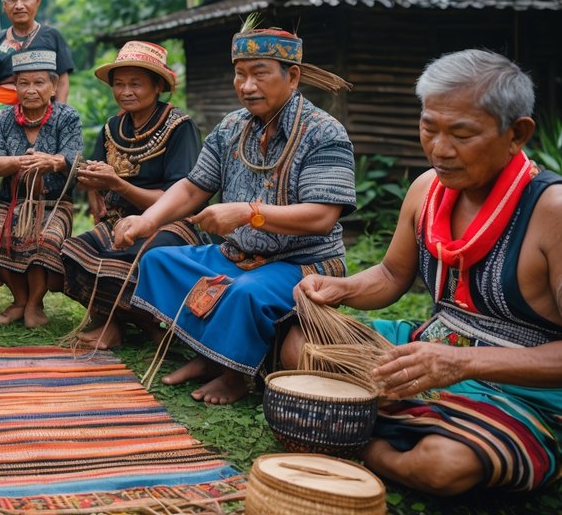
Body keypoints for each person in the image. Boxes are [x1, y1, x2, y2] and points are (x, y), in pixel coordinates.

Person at [290, 49, 562, 496]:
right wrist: (341, 288)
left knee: (443, 466)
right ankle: (370, 421)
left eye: (461, 133)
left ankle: (349, 435)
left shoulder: (549, 212)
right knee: (298, 339)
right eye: (428, 127)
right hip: (432, 344)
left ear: (517, 133)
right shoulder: (426, 189)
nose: (439, 148)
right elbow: (392, 275)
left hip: (522, 387)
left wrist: (462, 362)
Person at [115, 27, 355, 405]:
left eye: (259, 73)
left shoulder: (325, 132)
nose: (246, 85)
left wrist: (248, 213)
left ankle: (233, 375)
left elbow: (322, 217)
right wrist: (149, 220)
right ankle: (208, 356)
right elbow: (194, 188)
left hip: (303, 263)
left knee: (243, 293)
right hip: (236, 256)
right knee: (160, 261)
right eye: (240, 74)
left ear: (291, 76)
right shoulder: (230, 127)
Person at [61, 41, 202, 350]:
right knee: (70, 253)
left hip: (170, 222)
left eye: (136, 84)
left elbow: (180, 197)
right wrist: (92, 186)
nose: (126, 91)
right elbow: (98, 175)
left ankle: (135, 321)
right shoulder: (113, 127)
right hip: (119, 221)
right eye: (120, 84)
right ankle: (124, 322)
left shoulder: (180, 126)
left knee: (134, 257)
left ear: (157, 86)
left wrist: (119, 185)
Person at [0, 50, 82, 329]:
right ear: (15, 87)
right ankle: (20, 300)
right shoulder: (2, 118)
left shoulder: (67, 116)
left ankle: (35, 302)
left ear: (55, 86)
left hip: (53, 202)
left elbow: (72, 157)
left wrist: (52, 161)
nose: (31, 90)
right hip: (12, 200)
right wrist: (17, 161)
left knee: (44, 241)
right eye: (23, 83)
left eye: (39, 83)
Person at [0, 0, 74, 159]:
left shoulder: (52, 37)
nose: (19, 5)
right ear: (4, 6)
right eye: (12, 0)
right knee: (7, 166)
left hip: (44, 116)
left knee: (43, 165)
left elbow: (63, 81)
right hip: (4, 118)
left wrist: (57, 119)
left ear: (38, 1)